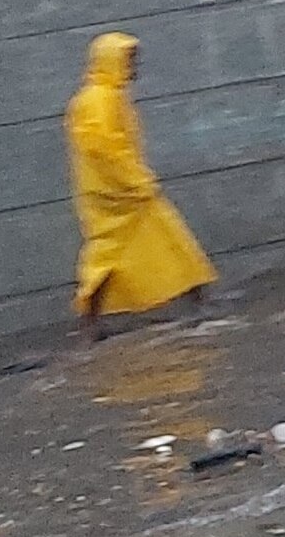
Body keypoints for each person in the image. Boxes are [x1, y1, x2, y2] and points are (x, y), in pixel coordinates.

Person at [67, 31, 217, 342]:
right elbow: (101, 147)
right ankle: (91, 322)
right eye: (129, 59)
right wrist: (134, 179)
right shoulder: (98, 99)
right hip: (117, 194)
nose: (135, 66)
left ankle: (197, 298)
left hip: (120, 190)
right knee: (123, 252)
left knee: (158, 242)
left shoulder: (106, 96)